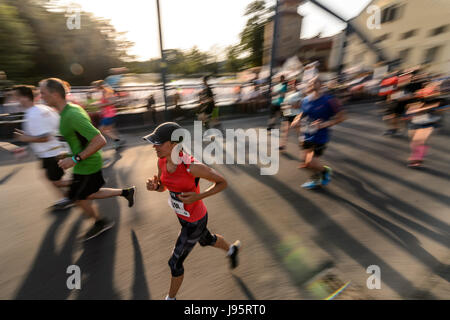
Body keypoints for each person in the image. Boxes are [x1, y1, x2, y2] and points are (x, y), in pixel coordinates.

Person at [143, 122, 241, 300]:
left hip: (195, 220)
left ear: (173, 144)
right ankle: (232, 250)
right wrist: (155, 186)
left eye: (158, 142)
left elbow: (223, 182)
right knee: (207, 240)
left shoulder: (192, 166)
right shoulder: (162, 160)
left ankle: (170, 298)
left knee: (175, 262)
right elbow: (164, 186)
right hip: (183, 217)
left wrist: (199, 196)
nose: (154, 146)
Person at [39, 78, 136, 241]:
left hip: (87, 163)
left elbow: (100, 140)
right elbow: (80, 139)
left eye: (43, 93)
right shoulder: (66, 111)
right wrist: (68, 156)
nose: (40, 96)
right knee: (89, 194)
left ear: (55, 95)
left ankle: (101, 222)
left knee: (77, 197)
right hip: (83, 161)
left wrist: (74, 159)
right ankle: (126, 192)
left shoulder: (72, 114)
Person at [12, 85, 72, 209]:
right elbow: (52, 129)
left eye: (16, 97)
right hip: (53, 150)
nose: (14, 100)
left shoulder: (34, 114)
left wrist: (25, 138)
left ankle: (83, 185)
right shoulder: (42, 108)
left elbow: (45, 137)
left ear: (24, 97)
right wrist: (27, 137)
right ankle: (67, 197)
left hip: (51, 153)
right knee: (48, 177)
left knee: (56, 181)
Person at [291, 76, 346, 189]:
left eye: (315, 81)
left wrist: (324, 124)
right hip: (307, 134)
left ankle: (323, 174)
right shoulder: (305, 100)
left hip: (320, 136)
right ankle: (319, 175)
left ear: (321, 85)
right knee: (305, 163)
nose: (312, 83)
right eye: (310, 82)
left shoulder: (329, 100)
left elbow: (342, 117)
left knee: (312, 162)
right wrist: (296, 121)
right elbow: (302, 114)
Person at [404, 81, 447, 167]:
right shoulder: (419, 97)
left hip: (430, 122)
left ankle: (417, 159)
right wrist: (416, 106)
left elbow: (442, 108)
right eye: (430, 87)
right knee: (414, 142)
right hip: (415, 121)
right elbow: (409, 108)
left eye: (436, 88)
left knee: (419, 140)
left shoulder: (442, 99)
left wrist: (424, 108)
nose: (433, 89)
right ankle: (416, 157)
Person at [92, 80, 125, 150]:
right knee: (110, 129)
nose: (94, 88)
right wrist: (97, 103)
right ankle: (120, 139)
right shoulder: (104, 92)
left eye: (94, 87)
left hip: (109, 115)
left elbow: (112, 102)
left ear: (98, 86)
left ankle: (118, 140)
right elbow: (106, 101)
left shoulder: (106, 92)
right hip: (109, 114)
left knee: (102, 129)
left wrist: (100, 105)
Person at [279, 79, 302, 150]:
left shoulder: (300, 93)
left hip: (295, 115)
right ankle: (282, 145)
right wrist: (283, 107)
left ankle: (303, 144)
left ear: (297, 85)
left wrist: (289, 105)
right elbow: (284, 104)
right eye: (290, 84)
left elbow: (299, 105)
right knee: (285, 130)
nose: (291, 86)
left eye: (293, 84)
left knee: (298, 131)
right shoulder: (288, 93)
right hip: (287, 114)